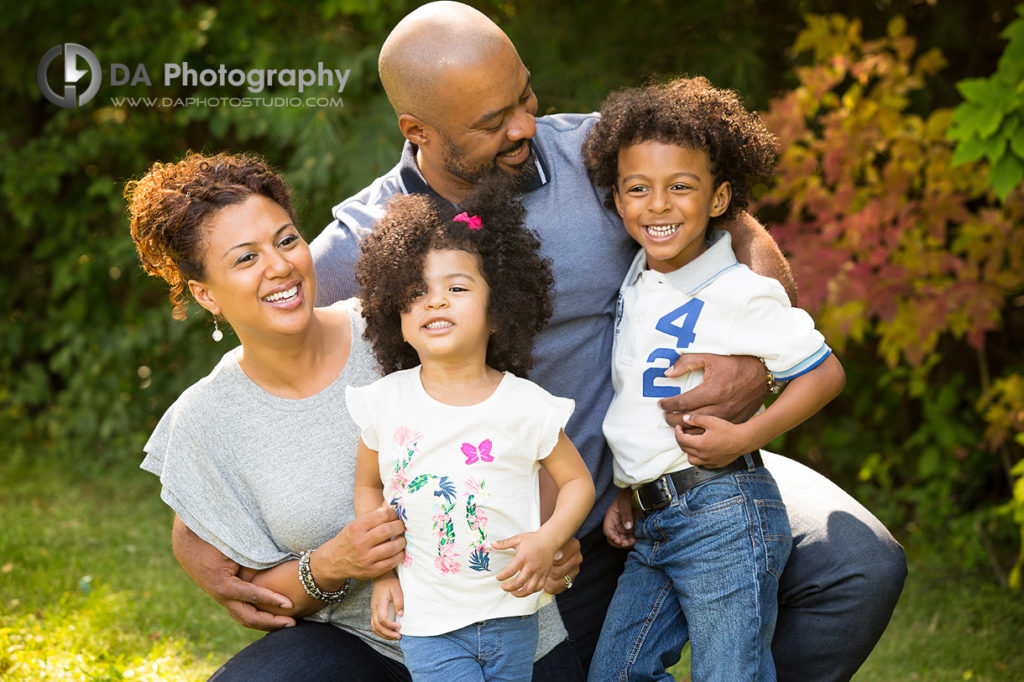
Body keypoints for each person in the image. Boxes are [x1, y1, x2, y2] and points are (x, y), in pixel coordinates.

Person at [173, 3, 907, 680]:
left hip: (674, 472)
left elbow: (741, 231)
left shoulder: (601, 156)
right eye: (493, 121)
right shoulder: (367, 243)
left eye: (525, 97)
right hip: (541, 549)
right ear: (417, 131)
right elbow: (262, 360)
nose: (525, 125)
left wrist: (752, 365)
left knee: (858, 567)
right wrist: (196, 544)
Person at [127, 151, 582, 681]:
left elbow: (519, 433)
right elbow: (253, 596)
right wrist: (333, 564)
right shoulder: (207, 419)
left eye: (286, 239)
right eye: (245, 258)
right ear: (206, 294)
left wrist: (551, 537)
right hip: (359, 642)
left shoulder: (407, 321)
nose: (279, 266)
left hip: (499, 628)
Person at [582, 76, 846, 680]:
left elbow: (825, 373)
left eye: (681, 187)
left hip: (723, 513)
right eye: (638, 189)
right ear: (619, 200)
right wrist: (631, 485)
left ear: (719, 198)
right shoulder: (636, 281)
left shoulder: (738, 291)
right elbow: (641, 399)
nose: (658, 205)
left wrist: (746, 437)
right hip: (654, 521)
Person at [349, 185, 595, 680]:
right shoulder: (385, 402)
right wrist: (381, 573)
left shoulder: (526, 405)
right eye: (416, 292)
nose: (435, 300)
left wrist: (549, 539)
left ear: (498, 310)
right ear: (396, 316)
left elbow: (577, 483)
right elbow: (368, 485)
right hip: (428, 622)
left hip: (512, 614)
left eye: (457, 289)